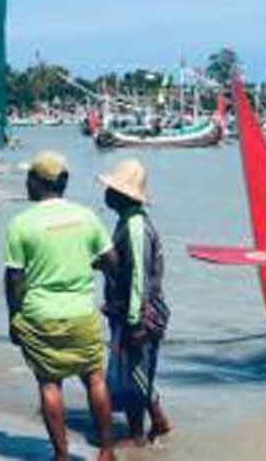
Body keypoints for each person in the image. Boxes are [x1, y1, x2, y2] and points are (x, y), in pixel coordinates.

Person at [5, 152, 118, 461]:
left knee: (49, 383)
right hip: (82, 312)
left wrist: (14, 319)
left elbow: (14, 278)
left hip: (41, 316)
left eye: (29, 178)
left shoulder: (20, 224)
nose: (26, 183)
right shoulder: (86, 216)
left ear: (38, 182)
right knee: (95, 379)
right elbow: (112, 263)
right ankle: (107, 451)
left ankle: (62, 456)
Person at [99, 159, 172, 446]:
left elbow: (139, 276)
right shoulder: (127, 222)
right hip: (134, 308)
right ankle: (158, 420)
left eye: (111, 190)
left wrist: (135, 320)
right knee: (137, 372)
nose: (106, 195)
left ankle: (137, 437)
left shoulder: (134, 226)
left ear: (123, 195)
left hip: (141, 312)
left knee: (133, 376)